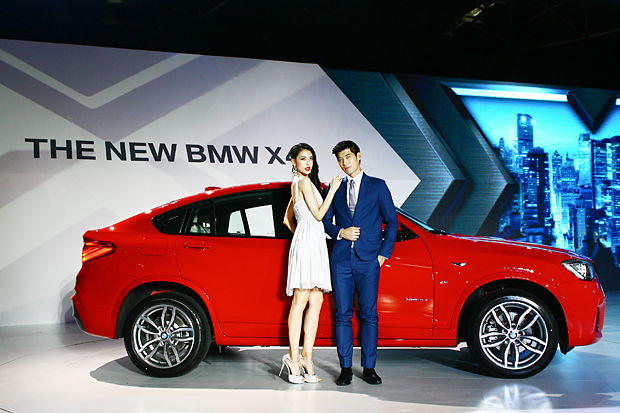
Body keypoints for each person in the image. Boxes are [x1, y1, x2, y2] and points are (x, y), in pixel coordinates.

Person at [322, 140, 398, 386]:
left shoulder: (377, 186)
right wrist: (340, 232)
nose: (344, 163)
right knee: (342, 315)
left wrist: (383, 255)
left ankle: (369, 368)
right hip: (341, 260)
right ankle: (345, 368)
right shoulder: (335, 188)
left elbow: (392, 222)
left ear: (358, 156)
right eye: (340, 159)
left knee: (369, 315)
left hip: (369, 261)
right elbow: (325, 221)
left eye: (348, 157)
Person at [279, 143, 342, 384]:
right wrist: (332, 190)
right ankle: (293, 359)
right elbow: (318, 215)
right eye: (303, 158)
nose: (308, 163)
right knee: (301, 300)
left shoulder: (299, 183)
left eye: (311, 159)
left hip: (312, 243)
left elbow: (287, 220)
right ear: (293, 161)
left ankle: (307, 357)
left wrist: (302, 235)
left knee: (316, 300)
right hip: (309, 244)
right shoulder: (303, 182)